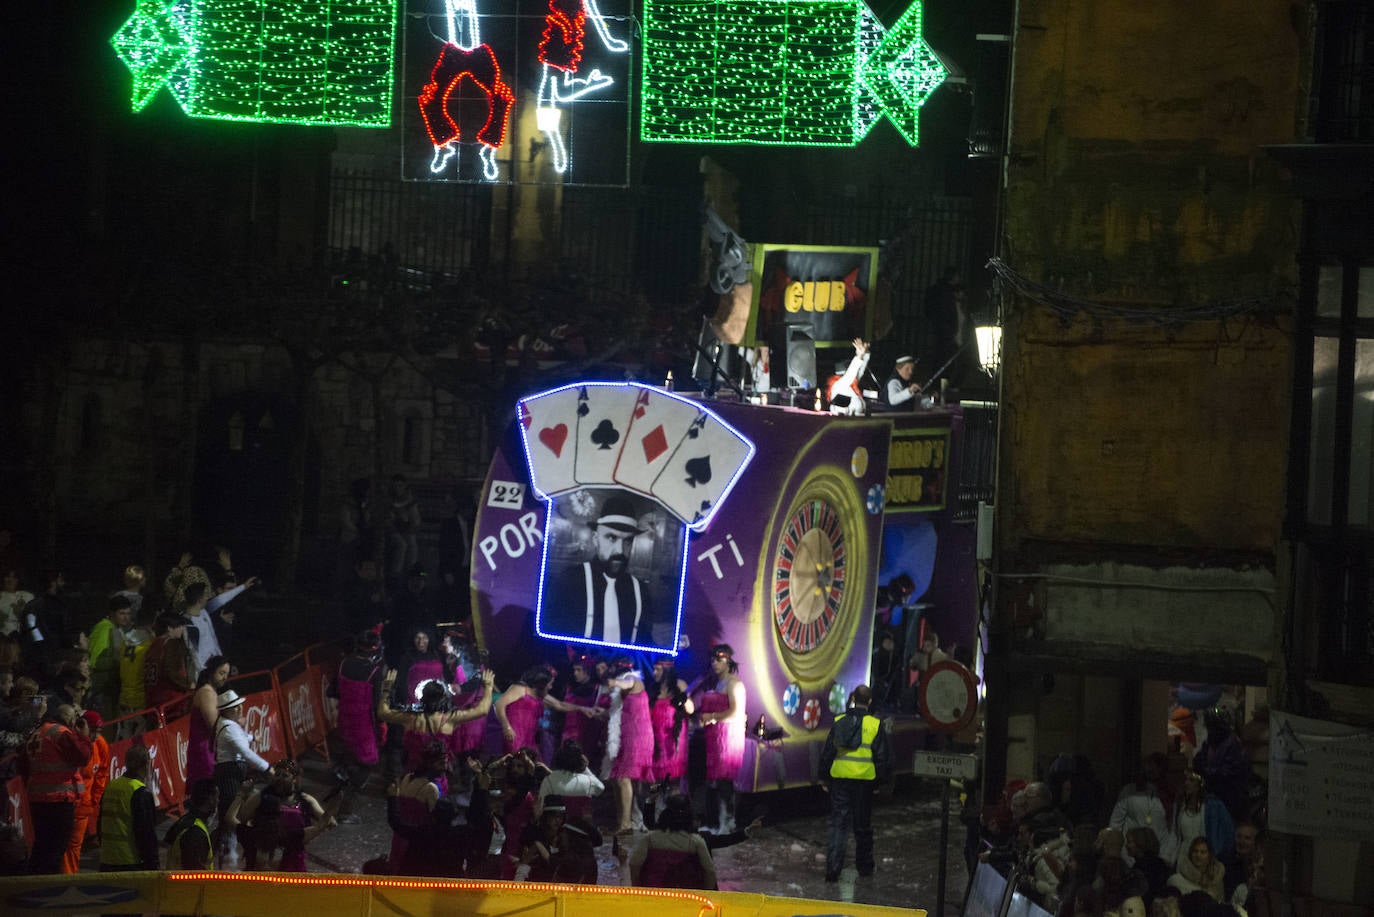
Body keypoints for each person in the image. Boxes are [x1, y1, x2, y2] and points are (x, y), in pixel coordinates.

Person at [543, 498, 666, 649]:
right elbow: (550, 639)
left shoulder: (639, 591)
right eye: (611, 538)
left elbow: (644, 643)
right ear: (596, 539)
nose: (620, 550)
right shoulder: (570, 582)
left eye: (627, 541)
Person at [819, 684, 893, 883]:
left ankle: (833, 869)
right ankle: (865, 868)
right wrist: (879, 783)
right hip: (863, 783)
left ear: (853, 699)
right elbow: (882, 758)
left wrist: (824, 777)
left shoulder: (839, 721)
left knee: (838, 825)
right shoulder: (875, 725)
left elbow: (828, 753)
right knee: (862, 827)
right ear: (869, 702)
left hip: (840, 781)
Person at [377, 665, 495, 778]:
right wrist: (488, 687)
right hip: (438, 774)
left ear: (422, 697)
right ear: (443, 699)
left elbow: (383, 713)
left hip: (413, 773)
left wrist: (387, 689)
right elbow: (483, 710)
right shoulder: (450, 719)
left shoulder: (411, 717)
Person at [25, 703, 94, 873]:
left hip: (37, 799)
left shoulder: (38, 732)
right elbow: (83, 756)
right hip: (58, 799)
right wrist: (84, 735)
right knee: (55, 850)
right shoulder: (61, 733)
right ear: (69, 718)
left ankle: (33, 887)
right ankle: (49, 891)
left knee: (41, 848)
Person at [333, 630, 385, 822]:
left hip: (344, 719)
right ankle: (345, 809)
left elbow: (334, 690)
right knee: (366, 764)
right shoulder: (374, 671)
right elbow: (378, 702)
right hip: (364, 724)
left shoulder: (344, 663)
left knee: (349, 760)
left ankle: (340, 787)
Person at [696, 644, 746, 834]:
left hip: (728, 737)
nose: (715, 663)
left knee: (725, 780)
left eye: (719, 659)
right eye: (713, 660)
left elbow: (735, 711)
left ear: (728, 661)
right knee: (714, 781)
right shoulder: (718, 683)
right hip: (715, 736)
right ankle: (716, 822)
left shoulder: (735, 684)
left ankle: (728, 822)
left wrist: (713, 717)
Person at [496, 664, 598, 755]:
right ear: (541, 683)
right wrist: (506, 727)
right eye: (549, 684)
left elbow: (560, 705)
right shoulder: (521, 689)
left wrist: (582, 708)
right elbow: (499, 704)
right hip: (514, 737)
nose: (551, 687)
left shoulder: (540, 695)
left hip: (529, 739)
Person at [602, 658, 655, 835]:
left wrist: (614, 682)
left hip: (637, 737)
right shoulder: (622, 690)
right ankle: (623, 820)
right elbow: (619, 712)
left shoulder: (634, 680)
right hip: (626, 737)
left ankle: (627, 824)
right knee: (617, 778)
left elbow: (627, 683)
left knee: (623, 778)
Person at [630, 792, 717, 889]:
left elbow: (634, 864)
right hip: (686, 896)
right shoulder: (696, 842)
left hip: (654, 894)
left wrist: (637, 887)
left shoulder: (649, 838)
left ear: (665, 814)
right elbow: (709, 872)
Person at [98, 743, 161, 871]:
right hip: (130, 861)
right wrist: (152, 864)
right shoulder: (140, 793)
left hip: (106, 859)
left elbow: (100, 824)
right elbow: (146, 834)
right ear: (146, 765)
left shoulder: (111, 786)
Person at [65, 710, 110, 872]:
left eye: (99, 732)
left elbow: (102, 773)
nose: (96, 736)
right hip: (67, 804)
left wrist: (94, 800)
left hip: (83, 807)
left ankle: (69, 878)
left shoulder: (100, 744)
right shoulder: (71, 742)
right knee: (64, 845)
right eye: (93, 731)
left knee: (74, 846)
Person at [649, 657, 692, 792]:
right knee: (655, 781)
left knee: (673, 779)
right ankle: (655, 811)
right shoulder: (653, 688)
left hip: (674, 739)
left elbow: (691, 709)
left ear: (667, 670)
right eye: (654, 669)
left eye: (658, 669)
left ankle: (673, 810)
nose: (654, 672)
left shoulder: (679, 685)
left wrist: (682, 697)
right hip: (655, 739)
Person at [87, 596, 135, 719]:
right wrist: (119, 662)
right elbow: (94, 661)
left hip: (108, 687)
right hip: (101, 688)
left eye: (128, 613)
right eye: (122, 613)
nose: (126, 617)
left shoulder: (116, 629)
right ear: (112, 613)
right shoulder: (105, 628)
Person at [187, 656, 232, 787]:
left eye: (226, 674)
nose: (224, 677)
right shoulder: (206, 692)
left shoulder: (211, 691)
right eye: (221, 673)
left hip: (207, 748)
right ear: (212, 671)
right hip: (204, 750)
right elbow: (214, 724)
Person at [537, 739, 604, 819]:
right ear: (580, 760)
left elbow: (539, 808)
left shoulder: (549, 781)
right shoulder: (588, 781)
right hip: (582, 827)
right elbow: (601, 788)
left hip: (556, 827)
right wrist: (585, 768)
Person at [144, 613, 195, 711]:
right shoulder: (171, 643)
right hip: (173, 702)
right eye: (179, 626)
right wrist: (190, 685)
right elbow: (172, 671)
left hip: (154, 701)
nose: (182, 629)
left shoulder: (152, 646)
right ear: (169, 628)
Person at [165, 778, 219, 869]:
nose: (218, 801)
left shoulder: (185, 821)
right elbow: (194, 875)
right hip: (185, 883)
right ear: (210, 799)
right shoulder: (195, 832)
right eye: (217, 797)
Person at [1168, 837, 1224, 902]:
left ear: (1209, 856)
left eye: (1203, 852)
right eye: (1195, 851)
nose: (1198, 855)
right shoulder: (1176, 881)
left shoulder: (1217, 882)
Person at [827, 338, 871, 416]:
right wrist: (859, 355)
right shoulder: (839, 385)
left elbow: (860, 370)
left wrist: (865, 353)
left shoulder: (850, 385)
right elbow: (851, 374)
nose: (856, 373)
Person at [0, 570, 34, 637]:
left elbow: (33, 622)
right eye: (7, 576)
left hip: (22, 637)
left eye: (14, 577)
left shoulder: (27, 596)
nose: (10, 580)